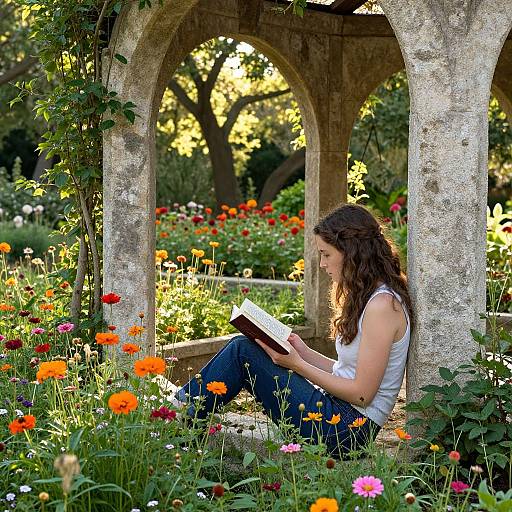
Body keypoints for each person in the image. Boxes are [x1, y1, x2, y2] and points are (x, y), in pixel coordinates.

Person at [175, 204, 413, 456]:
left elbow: (363, 395)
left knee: (242, 351)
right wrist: (303, 351)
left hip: (346, 430)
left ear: (352, 252)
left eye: (326, 254)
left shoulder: (382, 306)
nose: (322, 264)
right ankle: (181, 418)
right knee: (244, 347)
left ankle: (174, 420)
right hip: (337, 415)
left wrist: (297, 364)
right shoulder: (371, 297)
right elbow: (348, 372)